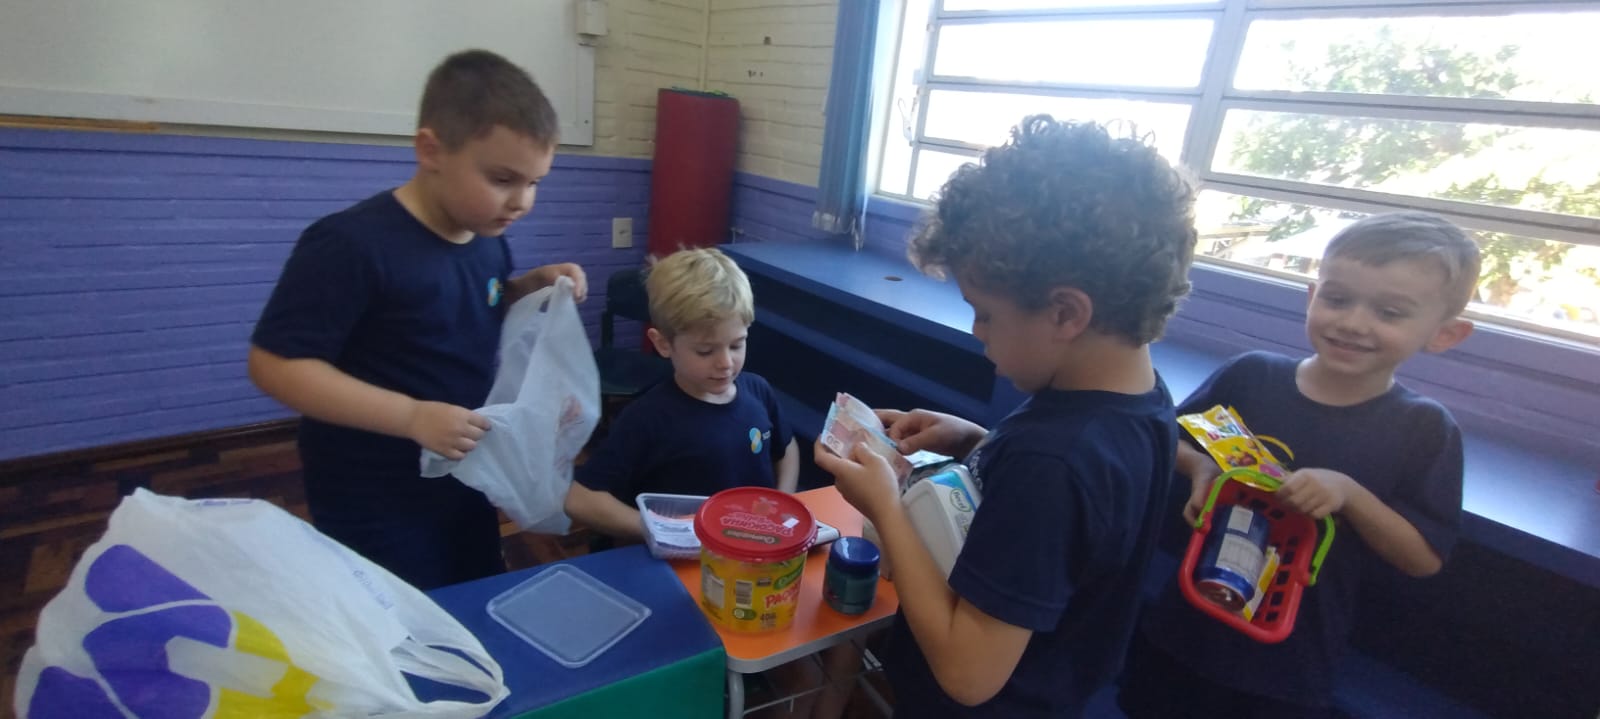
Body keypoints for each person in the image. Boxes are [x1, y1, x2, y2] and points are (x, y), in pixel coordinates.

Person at [815, 116, 1197, 717]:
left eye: (985, 313)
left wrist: (886, 507)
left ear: (1065, 313)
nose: (977, 331)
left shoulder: (1053, 462)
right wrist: (977, 442)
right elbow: (1078, 522)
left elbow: (968, 674)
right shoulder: (1140, 399)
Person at [1119, 211, 1480, 719]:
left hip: (1288, 663)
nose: (1353, 322)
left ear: (1444, 334)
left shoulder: (1424, 428)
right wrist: (1201, 470)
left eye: (1390, 312)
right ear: (1312, 297)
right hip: (1184, 625)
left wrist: (1350, 495)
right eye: (1337, 299)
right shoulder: (1252, 376)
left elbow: (1423, 558)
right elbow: (1163, 440)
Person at [248, 49, 587, 590]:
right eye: (503, 178)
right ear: (431, 150)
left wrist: (527, 289)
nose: (522, 201)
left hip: (462, 470)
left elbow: (464, 311)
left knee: (471, 590)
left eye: (534, 182)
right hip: (372, 490)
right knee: (399, 613)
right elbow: (275, 365)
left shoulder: (486, 240)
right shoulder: (349, 244)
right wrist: (410, 417)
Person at [564, 247, 799, 542]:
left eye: (736, 345)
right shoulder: (647, 418)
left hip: (750, 549)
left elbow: (785, 447)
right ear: (663, 344)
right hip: (683, 561)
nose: (726, 363)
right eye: (705, 350)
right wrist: (666, 532)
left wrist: (783, 500)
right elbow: (579, 498)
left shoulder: (759, 391)